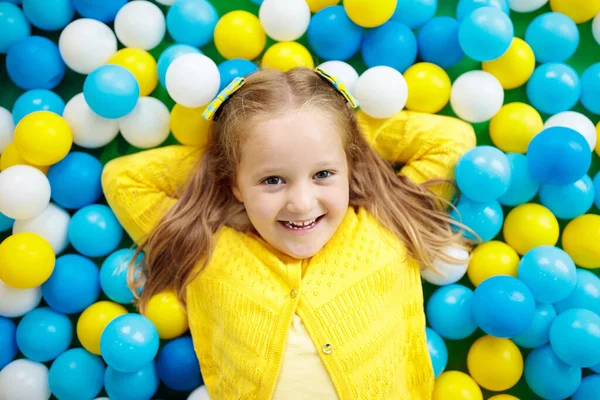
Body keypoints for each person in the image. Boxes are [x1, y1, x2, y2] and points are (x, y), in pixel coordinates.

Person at [101, 67, 475, 399]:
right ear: (235, 185)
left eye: (323, 174)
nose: (301, 202)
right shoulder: (209, 249)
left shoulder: (384, 226)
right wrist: (229, 153)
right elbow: (124, 179)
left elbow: (451, 139)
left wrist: (341, 135)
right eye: (272, 179)